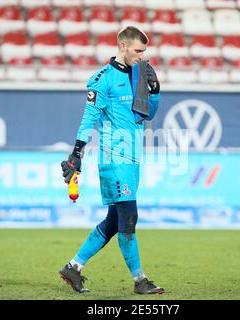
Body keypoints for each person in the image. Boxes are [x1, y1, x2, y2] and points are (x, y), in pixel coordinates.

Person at [58, 26, 164, 295]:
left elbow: (147, 114)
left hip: (132, 159)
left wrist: (155, 91)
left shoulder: (139, 75)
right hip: (114, 159)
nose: (142, 56)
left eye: (144, 51)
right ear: (122, 47)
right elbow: (89, 119)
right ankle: (140, 280)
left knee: (115, 221)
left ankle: (73, 267)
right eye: (138, 51)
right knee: (129, 218)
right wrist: (76, 154)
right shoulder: (102, 80)